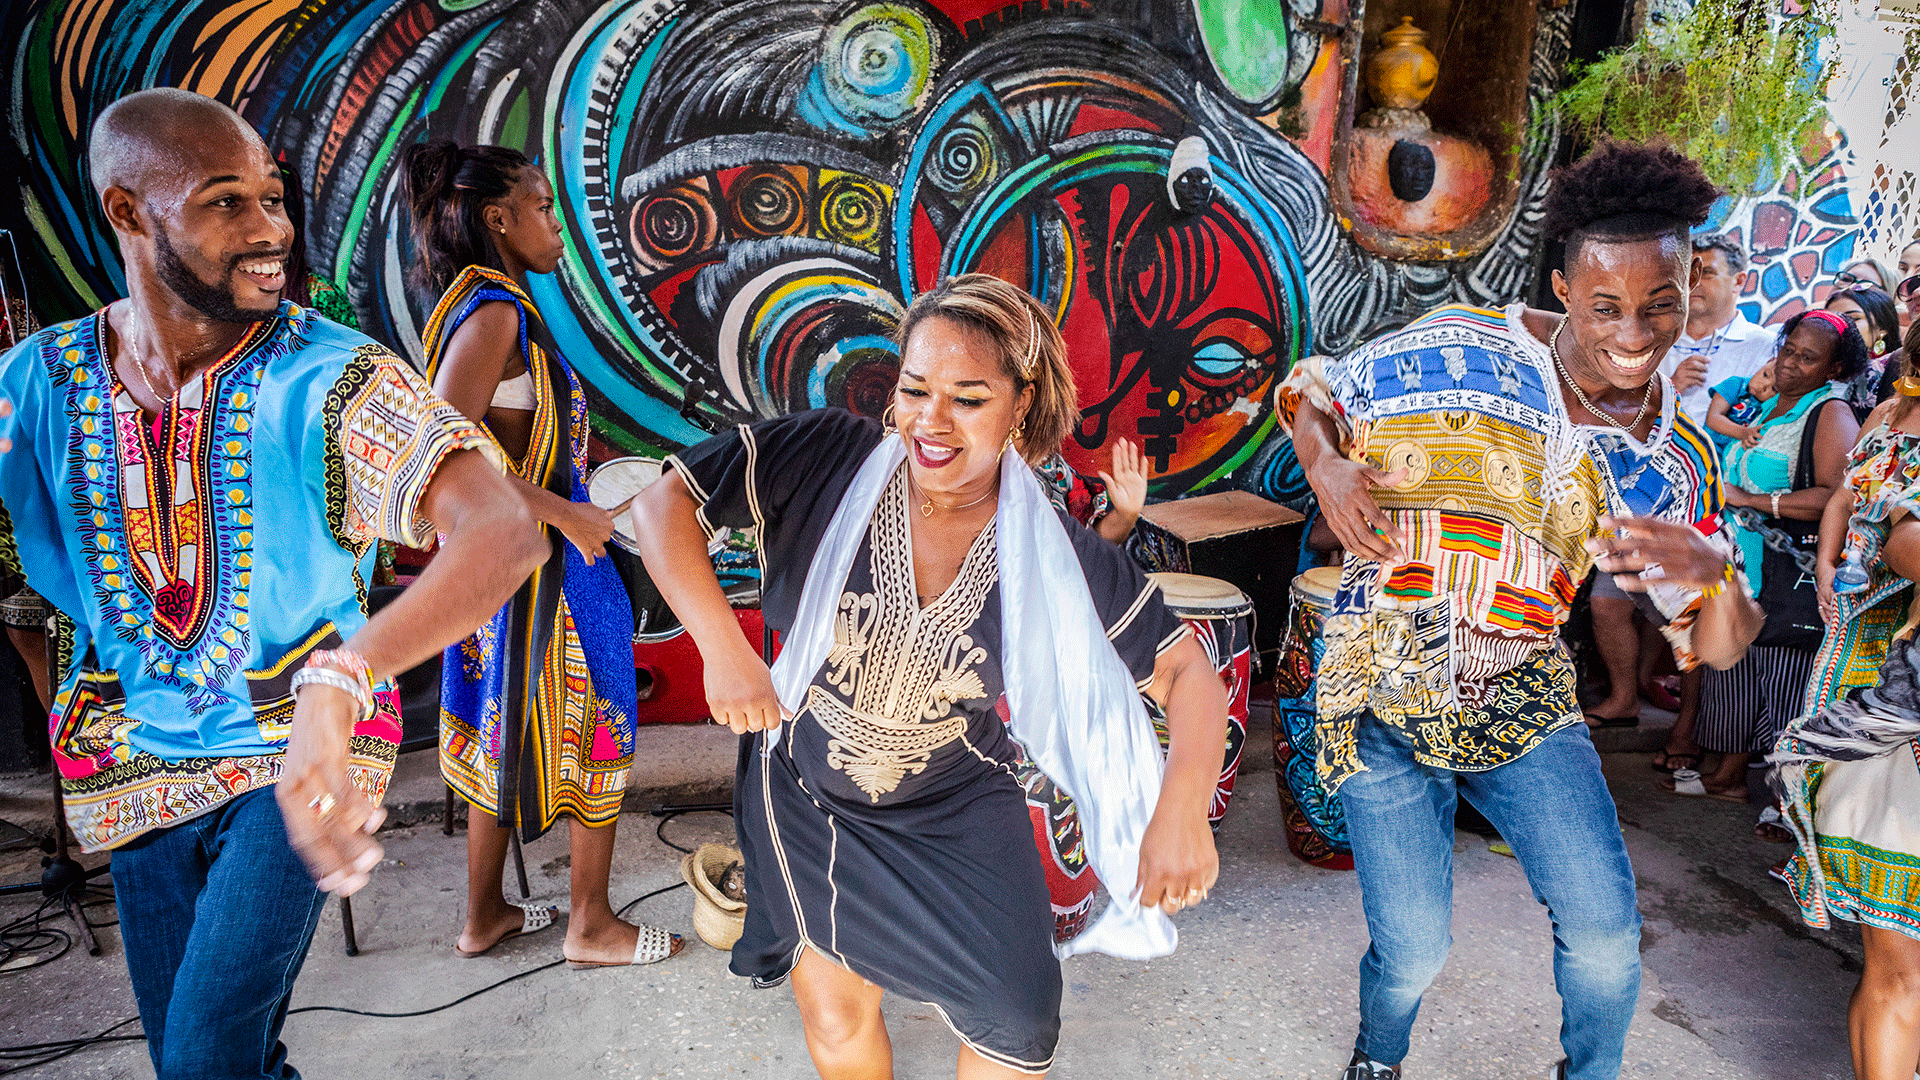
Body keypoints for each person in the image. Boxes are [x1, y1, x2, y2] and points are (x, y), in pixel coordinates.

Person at [0, 88, 544, 1079]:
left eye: (271, 198)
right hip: (129, 771)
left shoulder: (332, 378)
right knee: (203, 1061)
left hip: (293, 761)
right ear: (128, 212)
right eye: (225, 203)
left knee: (207, 1060)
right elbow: (32, 583)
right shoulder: (39, 382)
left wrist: (343, 683)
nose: (270, 232)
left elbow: (503, 532)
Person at [631, 272, 1226, 1078]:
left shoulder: (1052, 555)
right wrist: (724, 649)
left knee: (1016, 1017)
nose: (930, 422)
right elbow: (663, 505)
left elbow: (1188, 671)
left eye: (968, 399)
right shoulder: (826, 459)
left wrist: (1182, 808)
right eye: (915, 389)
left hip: (952, 803)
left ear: (1022, 404)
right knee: (837, 1013)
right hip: (805, 789)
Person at [1279, 140, 1763, 1080]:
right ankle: (1377, 1059)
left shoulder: (1673, 461)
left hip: (1524, 702)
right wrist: (1328, 467)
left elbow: (1718, 647)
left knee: (1607, 939)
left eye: (1661, 306)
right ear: (1561, 285)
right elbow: (1312, 385)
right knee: (1414, 948)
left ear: (1689, 288)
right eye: (1606, 307)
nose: (1634, 333)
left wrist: (1719, 576)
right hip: (1379, 693)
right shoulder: (1455, 347)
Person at [400, 141, 675, 967]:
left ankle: (484, 917)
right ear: (499, 219)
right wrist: (573, 513)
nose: (558, 225)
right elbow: (435, 454)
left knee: (497, 725)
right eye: (545, 207)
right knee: (602, 722)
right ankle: (592, 924)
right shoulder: (493, 315)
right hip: (545, 565)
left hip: (504, 570)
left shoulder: (485, 309)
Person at [1773, 320, 1920, 1080]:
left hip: (1878, 683)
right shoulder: (1885, 421)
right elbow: (1886, 526)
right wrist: (1831, 568)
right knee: (1901, 969)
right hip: (1889, 710)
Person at [1591, 233, 1769, 742]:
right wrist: (1673, 382)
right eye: (1688, 273)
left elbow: (1769, 414)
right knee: (1610, 601)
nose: (1696, 283)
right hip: (1634, 488)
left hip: (1714, 499)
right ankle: (1626, 695)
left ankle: (1687, 725)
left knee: (1697, 613)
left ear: (1741, 280)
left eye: (1706, 271)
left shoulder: (1763, 346)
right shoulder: (1655, 340)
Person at [1679, 310, 1862, 802]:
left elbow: (1840, 495)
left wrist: (1752, 500)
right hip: (1743, 566)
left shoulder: (1829, 413)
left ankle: (1781, 800)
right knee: (1733, 667)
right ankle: (1730, 771)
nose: (1790, 364)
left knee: (1780, 680)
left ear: (1835, 369)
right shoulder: (1771, 405)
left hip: (1789, 569)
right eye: (1788, 350)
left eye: (1808, 358)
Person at [1825, 283, 1903, 412]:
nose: (1838, 326)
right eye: (1830, 320)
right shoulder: (1811, 372)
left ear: (1882, 328)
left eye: (1852, 318)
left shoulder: (1901, 371)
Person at [1704, 357, 1775, 453]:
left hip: (1729, 458)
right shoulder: (1734, 384)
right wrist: (1744, 433)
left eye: (1774, 389)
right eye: (1765, 375)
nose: (1760, 386)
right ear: (1769, 361)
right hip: (1705, 446)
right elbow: (1713, 418)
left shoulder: (1772, 406)